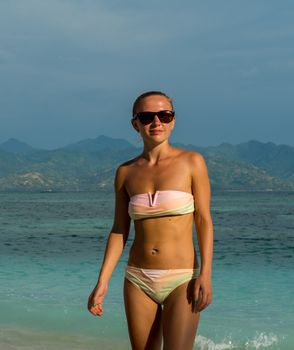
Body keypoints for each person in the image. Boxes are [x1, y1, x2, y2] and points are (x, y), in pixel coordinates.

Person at [87, 91, 213, 349]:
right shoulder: (125, 172)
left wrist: (206, 275)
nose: (157, 122)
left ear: (173, 120)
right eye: (147, 117)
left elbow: (203, 221)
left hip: (183, 277)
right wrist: (102, 281)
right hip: (137, 278)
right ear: (135, 123)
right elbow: (119, 231)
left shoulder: (192, 162)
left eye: (164, 115)